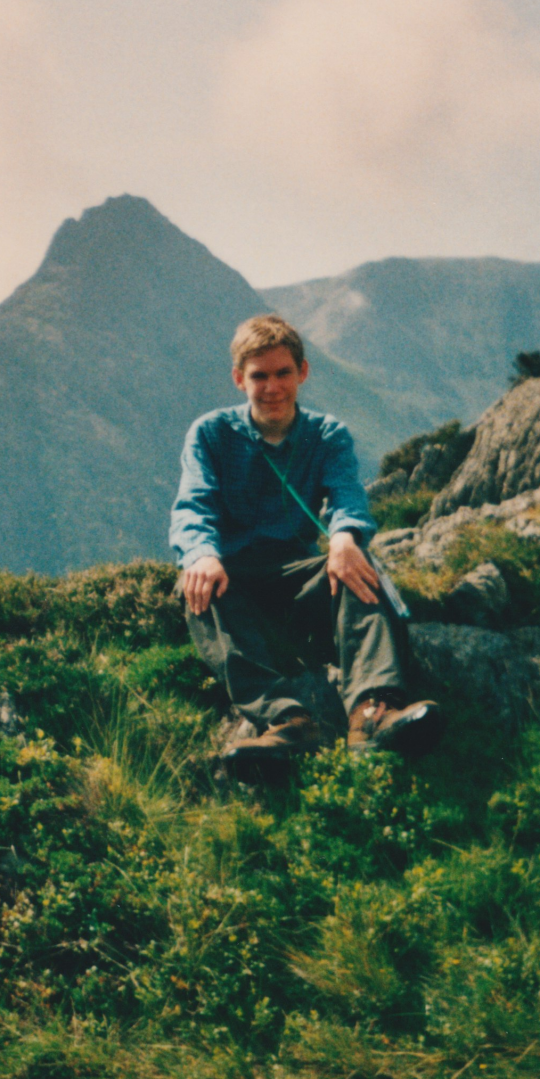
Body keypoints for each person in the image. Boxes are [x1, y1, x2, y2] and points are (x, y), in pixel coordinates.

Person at [170, 314, 445, 781]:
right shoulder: (211, 434)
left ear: (303, 372)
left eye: (283, 373)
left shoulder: (327, 435)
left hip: (297, 574)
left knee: (357, 565)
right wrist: (202, 554)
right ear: (239, 379)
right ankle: (288, 723)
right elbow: (193, 504)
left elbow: (347, 495)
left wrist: (344, 538)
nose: (272, 387)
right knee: (197, 588)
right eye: (259, 375)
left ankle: (372, 716)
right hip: (235, 577)